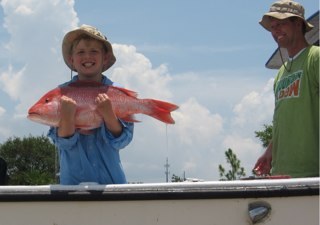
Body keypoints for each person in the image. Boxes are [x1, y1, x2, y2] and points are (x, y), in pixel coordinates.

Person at [48, 24, 134, 185]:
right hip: (72, 186)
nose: (87, 56)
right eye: (80, 52)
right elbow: (63, 144)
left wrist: (109, 114)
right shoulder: (61, 94)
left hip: (111, 185)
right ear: (71, 60)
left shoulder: (118, 93)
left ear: (105, 58)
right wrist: (67, 117)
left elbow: (122, 141)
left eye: (94, 51)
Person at [253, 1, 319, 178]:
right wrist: (270, 152)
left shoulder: (315, 57)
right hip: (282, 171)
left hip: (312, 171)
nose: (275, 31)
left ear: (298, 23)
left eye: (281, 24)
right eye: (272, 27)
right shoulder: (281, 72)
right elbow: (285, 118)